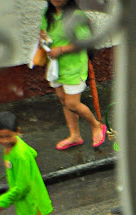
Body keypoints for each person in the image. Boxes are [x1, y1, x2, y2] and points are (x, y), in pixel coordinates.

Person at [40, 0, 106, 150]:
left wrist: (61, 49)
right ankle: (74, 135)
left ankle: (96, 125)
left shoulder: (76, 15)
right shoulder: (47, 14)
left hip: (74, 67)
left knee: (72, 103)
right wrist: (43, 39)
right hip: (56, 66)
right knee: (64, 101)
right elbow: (43, 32)